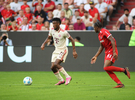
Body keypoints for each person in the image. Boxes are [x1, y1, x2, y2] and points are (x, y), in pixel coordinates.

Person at [91, 21, 130, 88]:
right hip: (107, 51)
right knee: (107, 69)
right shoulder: (99, 35)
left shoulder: (104, 31)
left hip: (111, 50)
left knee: (106, 67)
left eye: (94, 27)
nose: (93, 29)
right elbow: (101, 47)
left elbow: (112, 40)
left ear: (97, 27)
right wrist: (95, 56)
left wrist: (114, 52)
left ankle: (124, 70)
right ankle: (119, 83)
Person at [41, 18, 78, 85]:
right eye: (52, 23)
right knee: (52, 67)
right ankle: (61, 80)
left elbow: (72, 40)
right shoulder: (52, 30)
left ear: (58, 24)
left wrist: (74, 51)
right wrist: (43, 44)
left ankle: (68, 76)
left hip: (63, 50)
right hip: (56, 50)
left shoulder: (64, 32)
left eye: (54, 23)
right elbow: (49, 38)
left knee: (56, 64)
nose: (53, 25)